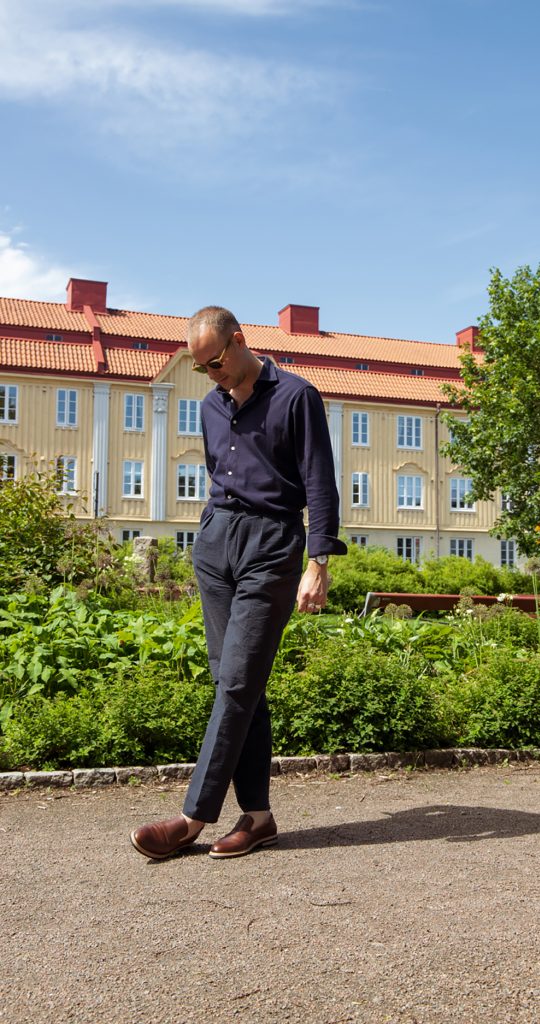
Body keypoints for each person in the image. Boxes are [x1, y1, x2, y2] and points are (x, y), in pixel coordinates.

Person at [130, 306, 346, 861]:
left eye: (216, 362)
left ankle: (191, 817)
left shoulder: (296, 397)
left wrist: (317, 562)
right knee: (236, 680)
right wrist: (209, 535)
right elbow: (216, 474)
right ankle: (259, 818)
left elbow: (320, 481)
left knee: (236, 681)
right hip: (215, 541)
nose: (212, 375)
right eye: (202, 368)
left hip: (272, 545)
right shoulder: (208, 406)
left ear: (240, 341)